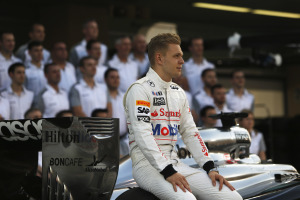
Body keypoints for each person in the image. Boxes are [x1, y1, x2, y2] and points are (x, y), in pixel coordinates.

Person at [123, 33, 242, 200]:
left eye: (182, 56)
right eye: (176, 56)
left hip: (175, 163)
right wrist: (168, 171)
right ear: (159, 58)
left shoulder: (178, 92)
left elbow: (190, 132)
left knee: (232, 197)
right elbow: (143, 135)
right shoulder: (139, 89)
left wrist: (210, 168)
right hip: (146, 166)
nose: (182, 61)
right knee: (187, 199)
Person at [105, 68, 129, 157]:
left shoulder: (124, 96)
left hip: (124, 138)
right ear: (105, 79)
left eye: (117, 77)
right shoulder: (102, 96)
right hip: (108, 140)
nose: (116, 80)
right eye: (112, 77)